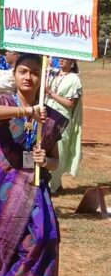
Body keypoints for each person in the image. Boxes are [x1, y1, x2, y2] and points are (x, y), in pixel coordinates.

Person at [0, 54, 67, 276]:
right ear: (14, 75)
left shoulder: (51, 118)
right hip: (3, 189)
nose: (29, 77)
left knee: (45, 241)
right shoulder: (4, 102)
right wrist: (26, 112)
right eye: (23, 71)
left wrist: (46, 160)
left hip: (36, 186)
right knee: (15, 247)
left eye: (35, 72)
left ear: (43, 78)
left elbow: (55, 160)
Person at [45, 57, 83, 192]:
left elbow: (70, 103)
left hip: (62, 118)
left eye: (65, 59)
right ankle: (52, 182)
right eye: (60, 59)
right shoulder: (52, 73)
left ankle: (53, 185)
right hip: (47, 114)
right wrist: (46, 68)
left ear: (72, 63)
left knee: (59, 149)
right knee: (46, 148)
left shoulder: (74, 79)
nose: (61, 61)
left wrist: (50, 93)